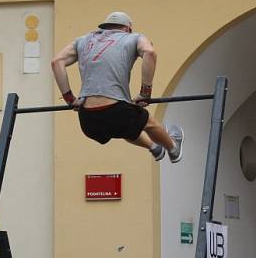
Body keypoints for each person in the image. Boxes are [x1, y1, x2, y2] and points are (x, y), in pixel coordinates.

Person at [51, 11, 184, 162]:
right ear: (127, 28)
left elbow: (56, 62)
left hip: (87, 120)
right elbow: (150, 53)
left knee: (126, 127)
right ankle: (173, 148)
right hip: (116, 111)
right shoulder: (133, 37)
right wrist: (145, 93)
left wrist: (70, 99)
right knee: (148, 122)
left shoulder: (82, 40)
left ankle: (154, 148)